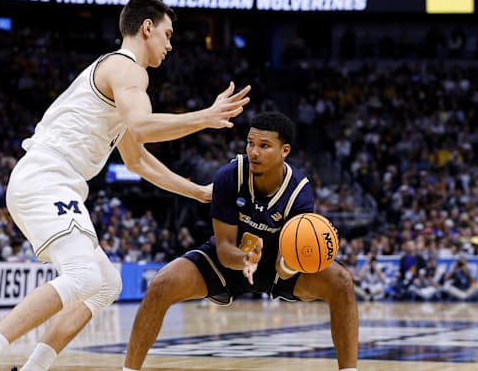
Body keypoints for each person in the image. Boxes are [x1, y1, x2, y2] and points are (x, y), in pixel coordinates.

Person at [0, 0, 251, 371]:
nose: (170, 44)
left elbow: (139, 162)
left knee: (105, 284)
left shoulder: (120, 84)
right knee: (83, 276)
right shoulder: (128, 68)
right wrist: (206, 116)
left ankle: (34, 367)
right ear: (146, 28)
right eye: (167, 34)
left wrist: (198, 192)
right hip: (47, 177)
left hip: (52, 182)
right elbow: (143, 127)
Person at [123, 111, 359, 371]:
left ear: (285, 151)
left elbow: (285, 264)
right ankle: (129, 370)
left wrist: (293, 263)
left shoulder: (299, 192)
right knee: (161, 284)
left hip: (277, 266)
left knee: (341, 282)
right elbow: (224, 249)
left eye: (264, 146)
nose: (254, 152)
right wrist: (245, 259)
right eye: (250, 143)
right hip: (230, 260)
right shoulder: (229, 176)